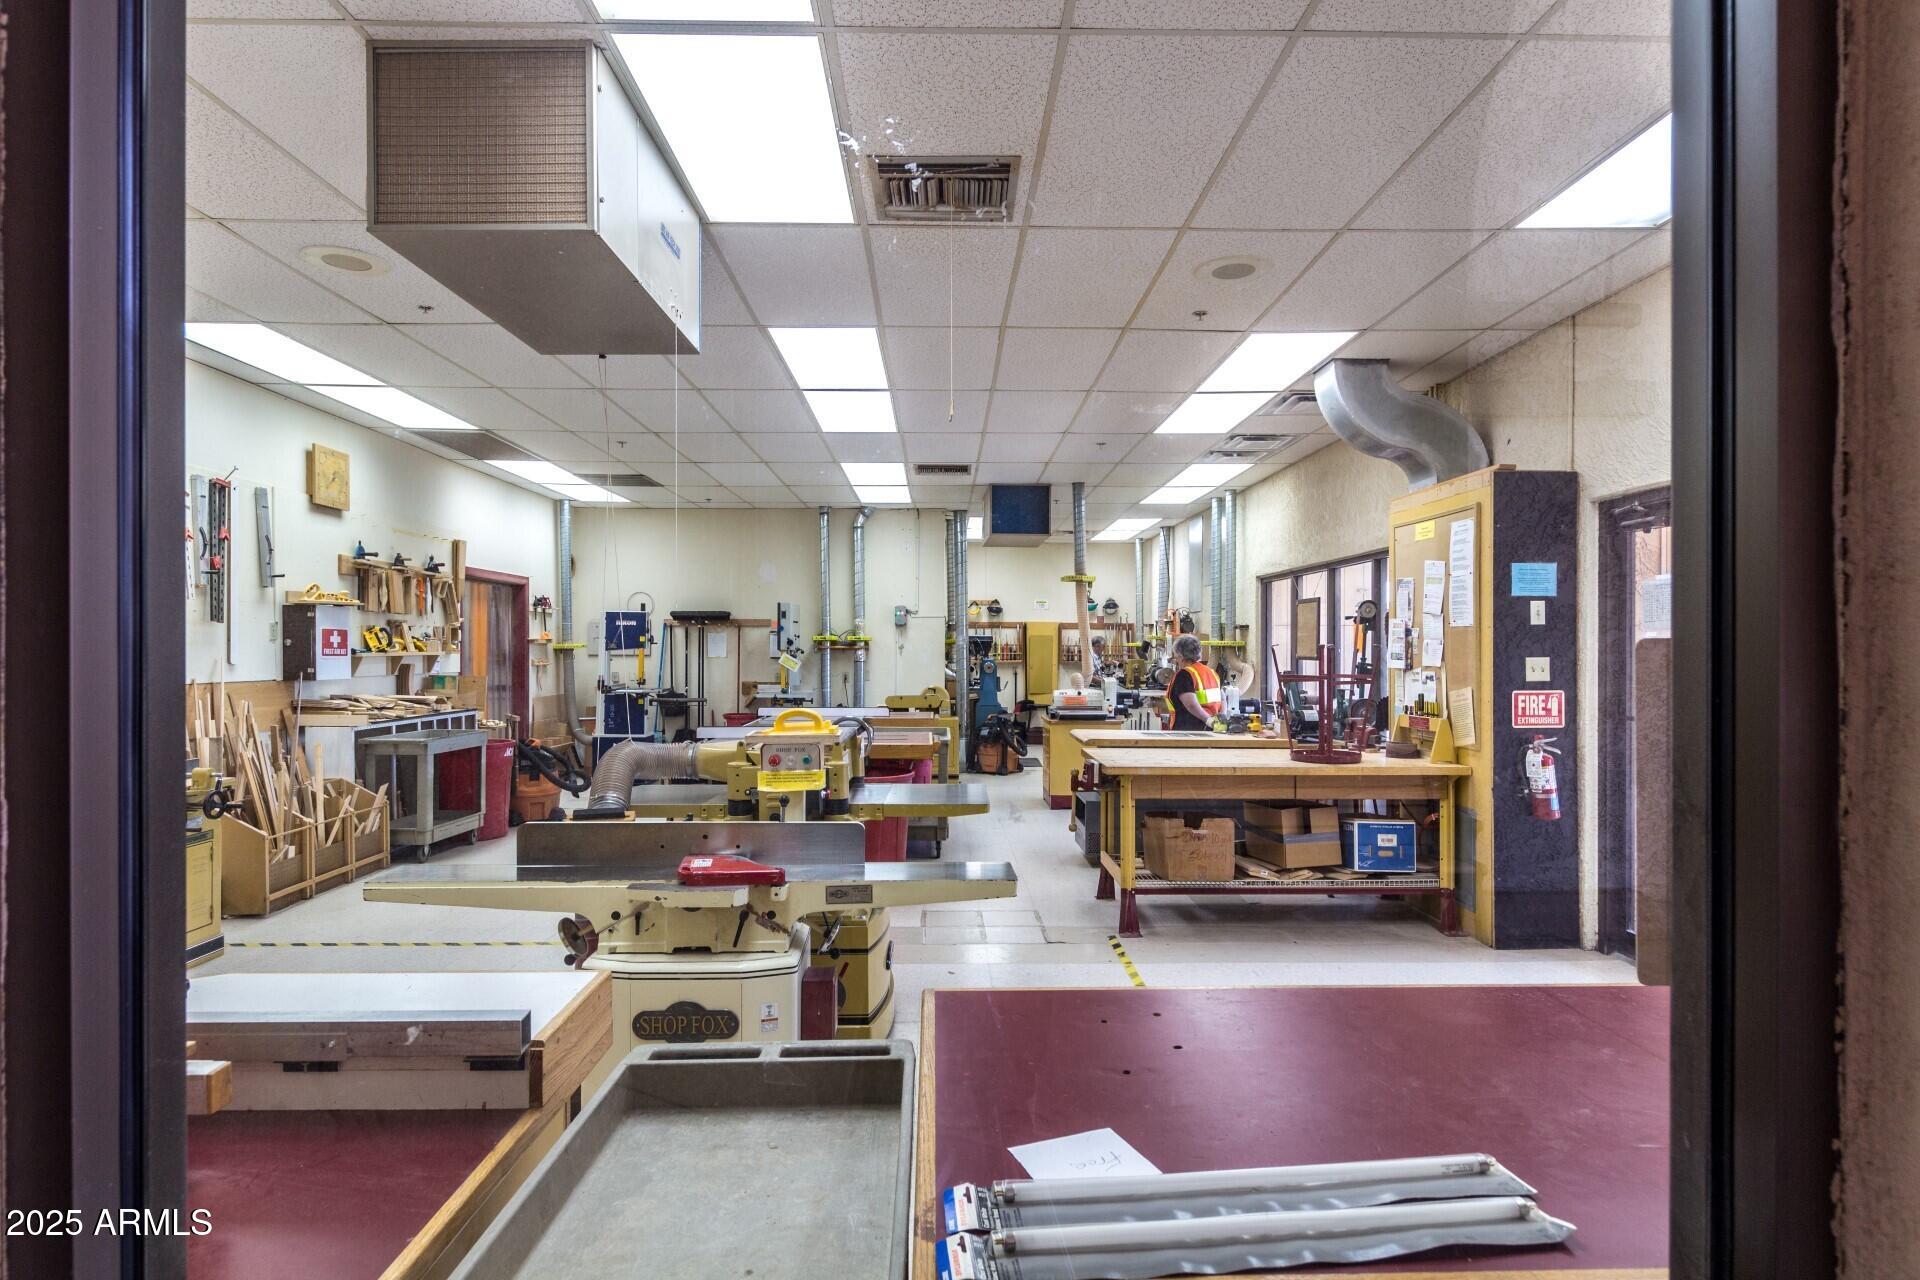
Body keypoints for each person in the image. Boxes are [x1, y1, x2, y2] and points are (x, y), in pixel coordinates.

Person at [1163, 634, 1223, 731]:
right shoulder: (1212, 672)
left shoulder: (1184, 674)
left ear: (1181, 656)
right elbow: (1222, 698)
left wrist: (1208, 720)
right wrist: (1219, 721)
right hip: (1211, 730)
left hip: (1189, 731)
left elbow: (1191, 705)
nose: (1176, 661)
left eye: (1176, 657)